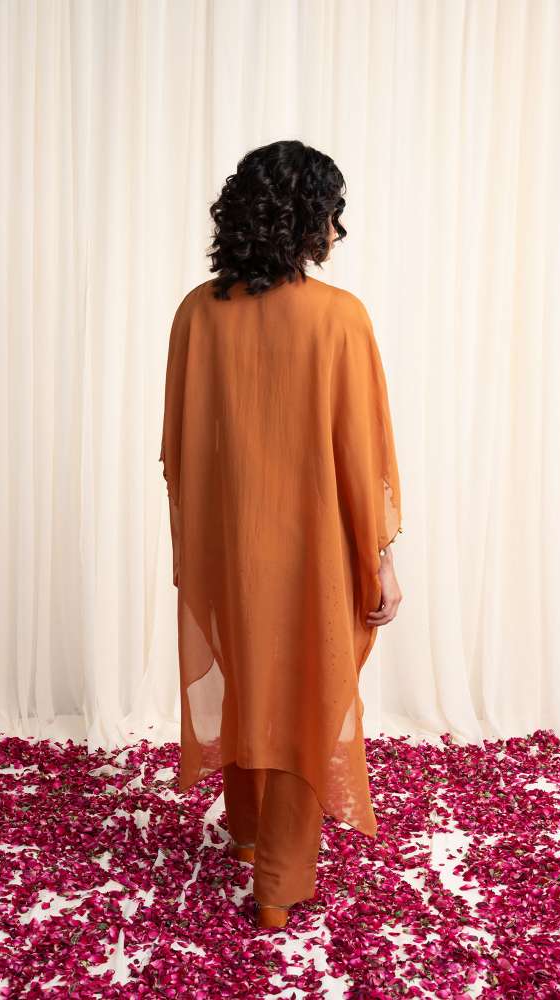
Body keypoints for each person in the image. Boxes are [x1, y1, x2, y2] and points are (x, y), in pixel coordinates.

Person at [160, 140, 402, 929]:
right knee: (304, 695)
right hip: (311, 553)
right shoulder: (339, 317)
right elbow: (362, 458)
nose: (338, 229)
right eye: (332, 211)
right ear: (305, 218)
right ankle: (279, 883)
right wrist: (380, 559)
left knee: (248, 678)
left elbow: (181, 450)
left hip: (229, 544)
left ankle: (248, 832)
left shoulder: (197, 312)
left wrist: (203, 543)